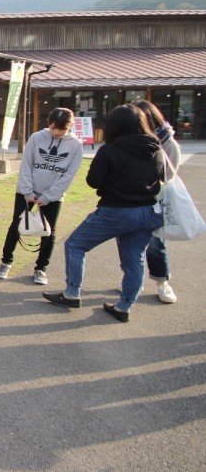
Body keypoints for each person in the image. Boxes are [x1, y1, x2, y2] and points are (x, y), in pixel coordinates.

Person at [43, 104, 165, 323]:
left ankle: (72, 293)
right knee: (134, 261)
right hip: (147, 212)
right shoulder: (155, 147)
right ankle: (124, 306)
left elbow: (93, 181)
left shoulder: (110, 149)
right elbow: (160, 177)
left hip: (116, 211)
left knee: (75, 245)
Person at [0, 108, 83, 285]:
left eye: (62, 129)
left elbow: (68, 175)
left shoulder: (75, 145)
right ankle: (6, 261)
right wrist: (28, 192)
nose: (56, 132)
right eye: (53, 128)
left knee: (49, 231)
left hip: (53, 195)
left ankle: (41, 268)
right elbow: (26, 165)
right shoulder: (36, 137)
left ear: (70, 126)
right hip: (26, 192)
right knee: (16, 225)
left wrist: (49, 196)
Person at [133, 99, 181, 304]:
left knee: (155, 243)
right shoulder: (131, 139)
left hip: (155, 200)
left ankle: (162, 282)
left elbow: (169, 175)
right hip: (131, 199)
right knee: (130, 244)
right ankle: (134, 281)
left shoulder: (168, 142)